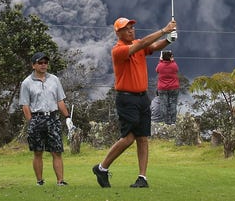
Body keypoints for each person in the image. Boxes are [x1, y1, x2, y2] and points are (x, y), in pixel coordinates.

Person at [92, 17, 177, 188]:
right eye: (126, 28)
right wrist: (164, 30)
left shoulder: (138, 44)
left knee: (142, 137)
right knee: (129, 138)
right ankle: (102, 167)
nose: (131, 30)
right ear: (118, 33)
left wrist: (168, 40)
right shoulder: (118, 50)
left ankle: (142, 178)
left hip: (142, 97)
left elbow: (152, 47)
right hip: (126, 98)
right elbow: (141, 45)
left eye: (132, 27)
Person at [19, 52, 71, 186]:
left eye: (45, 63)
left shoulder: (54, 79)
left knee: (57, 151)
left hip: (52, 118)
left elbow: (60, 100)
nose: (43, 65)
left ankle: (60, 181)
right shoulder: (26, 83)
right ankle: (39, 181)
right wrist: (31, 122)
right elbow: (25, 105)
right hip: (37, 118)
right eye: (40, 63)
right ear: (33, 65)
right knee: (38, 151)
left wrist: (67, 117)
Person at [156, 50, 180, 124]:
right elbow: (177, 70)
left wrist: (160, 61)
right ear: (171, 57)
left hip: (162, 88)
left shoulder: (160, 65)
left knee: (163, 104)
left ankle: (165, 122)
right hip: (173, 87)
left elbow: (157, 70)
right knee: (173, 103)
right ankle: (173, 122)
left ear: (162, 57)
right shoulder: (174, 65)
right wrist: (172, 61)